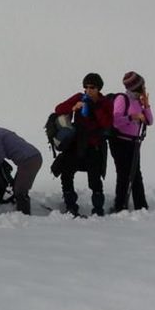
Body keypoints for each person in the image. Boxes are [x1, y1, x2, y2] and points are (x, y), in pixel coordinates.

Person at [52, 73, 112, 216]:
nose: (88, 90)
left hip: (94, 146)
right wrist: (74, 106)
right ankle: (70, 205)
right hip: (76, 144)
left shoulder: (105, 103)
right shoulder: (79, 97)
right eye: (86, 87)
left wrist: (95, 107)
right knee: (66, 173)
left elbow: (107, 123)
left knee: (95, 180)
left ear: (99, 88)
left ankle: (98, 209)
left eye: (92, 87)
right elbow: (58, 109)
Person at [0, 117, 43, 215]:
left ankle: (25, 217)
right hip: (31, 158)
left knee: (20, 191)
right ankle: (20, 212)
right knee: (17, 187)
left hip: (29, 160)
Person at [109, 71, 153, 212]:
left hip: (133, 142)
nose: (144, 88)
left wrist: (146, 106)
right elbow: (115, 121)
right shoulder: (122, 99)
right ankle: (120, 206)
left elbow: (149, 121)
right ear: (137, 86)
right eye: (142, 85)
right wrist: (132, 117)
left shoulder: (138, 101)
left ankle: (141, 206)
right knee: (123, 174)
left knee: (135, 173)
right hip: (120, 142)